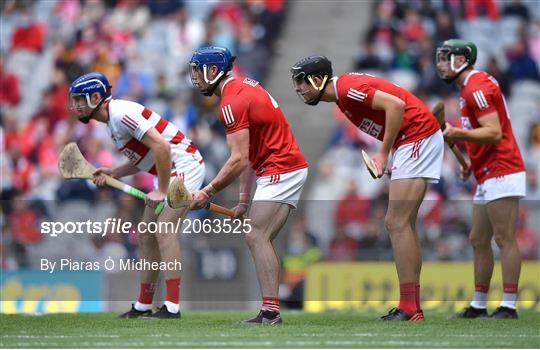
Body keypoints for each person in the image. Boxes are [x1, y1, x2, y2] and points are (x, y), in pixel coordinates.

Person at [290, 55, 444, 321]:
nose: (297, 89)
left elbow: (395, 106)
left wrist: (383, 154)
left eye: (301, 82)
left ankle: (410, 307)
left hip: (415, 136)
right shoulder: (343, 98)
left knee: (396, 223)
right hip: (411, 139)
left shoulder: (348, 90)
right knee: (402, 224)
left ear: (317, 79)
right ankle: (412, 306)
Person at [68, 72, 205, 319]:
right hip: (166, 169)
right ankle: (143, 304)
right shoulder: (111, 121)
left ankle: (172, 306)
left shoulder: (121, 113)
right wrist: (115, 172)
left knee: (164, 230)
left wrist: (162, 190)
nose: (75, 105)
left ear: (96, 97)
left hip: (183, 165)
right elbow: (146, 157)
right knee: (146, 236)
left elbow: (162, 146)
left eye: (80, 99)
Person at [188, 46, 308, 325]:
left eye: (198, 70)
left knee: (256, 235)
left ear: (213, 71)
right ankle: (270, 311)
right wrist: (243, 198)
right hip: (280, 166)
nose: (195, 77)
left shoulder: (231, 101)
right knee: (258, 236)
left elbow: (239, 159)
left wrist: (207, 191)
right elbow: (249, 150)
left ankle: (270, 312)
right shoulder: (242, 87)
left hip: (281, 166)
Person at [436, 39, 526, 319]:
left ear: (461, 60)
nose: (439, 63)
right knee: (478, 238)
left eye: (445, 57)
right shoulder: (469, 87)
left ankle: (509, 305)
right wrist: (470, 164)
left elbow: (493, 133)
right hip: (486, 171)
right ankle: (478, 303)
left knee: (504, 238)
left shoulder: (476, 87)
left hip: (503, 168)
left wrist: (455, 134)